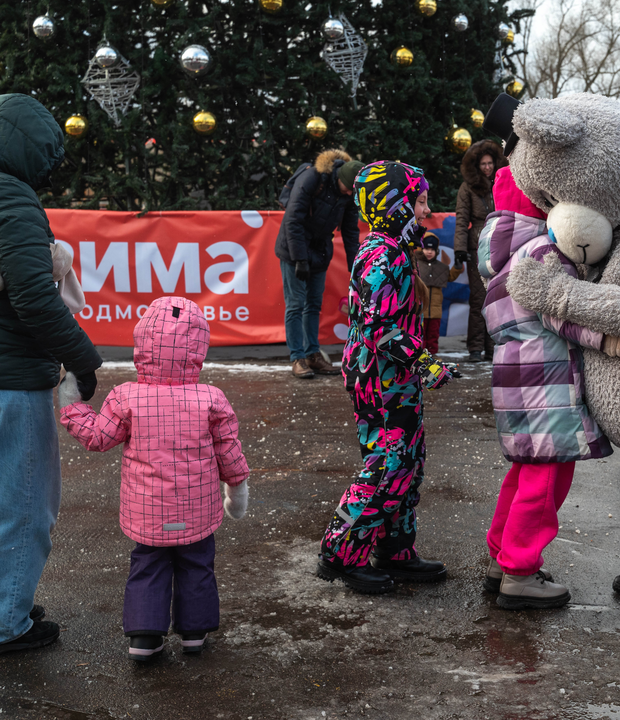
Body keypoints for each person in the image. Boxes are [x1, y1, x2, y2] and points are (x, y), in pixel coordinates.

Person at [478, 166, 620, 610]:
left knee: (524, 473)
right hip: (545, 382)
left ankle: (502, 559)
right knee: (545, 483)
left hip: (517, 378)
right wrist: (619, 341)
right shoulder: (543, 250)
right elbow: (564, 313)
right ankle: (520, 573)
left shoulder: (503, 253)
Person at [59, 297, 250, 661]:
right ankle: (194, 634)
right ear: (198, 348)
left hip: (146, 512)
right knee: (197, 564)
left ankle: (144, 638)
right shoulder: (211, 399)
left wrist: (72, 404)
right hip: (197, 510)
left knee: (148, 565)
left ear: (143, 344)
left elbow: (98, 437)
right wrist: (236, 489)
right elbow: (228, 451)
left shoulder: (126, 397)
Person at [317, 161, 460, 595]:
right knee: (386, 467)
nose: (426, 210)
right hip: (379, 380)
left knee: (408, 465)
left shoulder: (394, 250)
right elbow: (380, 328)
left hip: (395, 377)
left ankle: (394, 548)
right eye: (420, 201)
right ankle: (340, 551)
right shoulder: (381, 254)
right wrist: (426, 363)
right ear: (394, 204)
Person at [0, 93, 102, 655]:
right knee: (24, 503)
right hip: (11, 379)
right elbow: (35, 299)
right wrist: (84, 359)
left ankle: (5, 598)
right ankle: (7, 621)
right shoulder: (12, 197)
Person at [275, 150, 363, 379]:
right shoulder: (312, 179)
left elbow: (351, 231)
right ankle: (297, 357)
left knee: (313, 304)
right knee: (296, 303)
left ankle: (313, 354)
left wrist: (355, 267)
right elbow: (292, 220)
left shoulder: (350, 193)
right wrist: (300, 259)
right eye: (348, 188)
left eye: (353, 191)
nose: (350, 193)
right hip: (293, 247)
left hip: (320, 249)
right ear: (339, 178)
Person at [454, 139, 507, 362]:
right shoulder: (467, 188)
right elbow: (461, 219)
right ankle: (475, 347)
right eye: (483, 164)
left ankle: (493, 347)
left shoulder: (502, 182)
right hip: (477, 246)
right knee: (478, 298)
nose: (487, 167)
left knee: (498, 297)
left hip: (500, 244)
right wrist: (459, 249)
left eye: (490, 163)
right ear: (477, 166)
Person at [416, 231, 462, 355]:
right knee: (420, 334)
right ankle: (419, 356)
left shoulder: (441, 267)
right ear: (421, 248)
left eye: (432, 249)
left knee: (433, 334)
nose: (429, 252)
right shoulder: (416, 265)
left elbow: (450, 276)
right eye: (426, 248)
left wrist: (457, 267)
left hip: (435, 311)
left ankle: (432, 355)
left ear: (436, 250)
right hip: (420, 310)